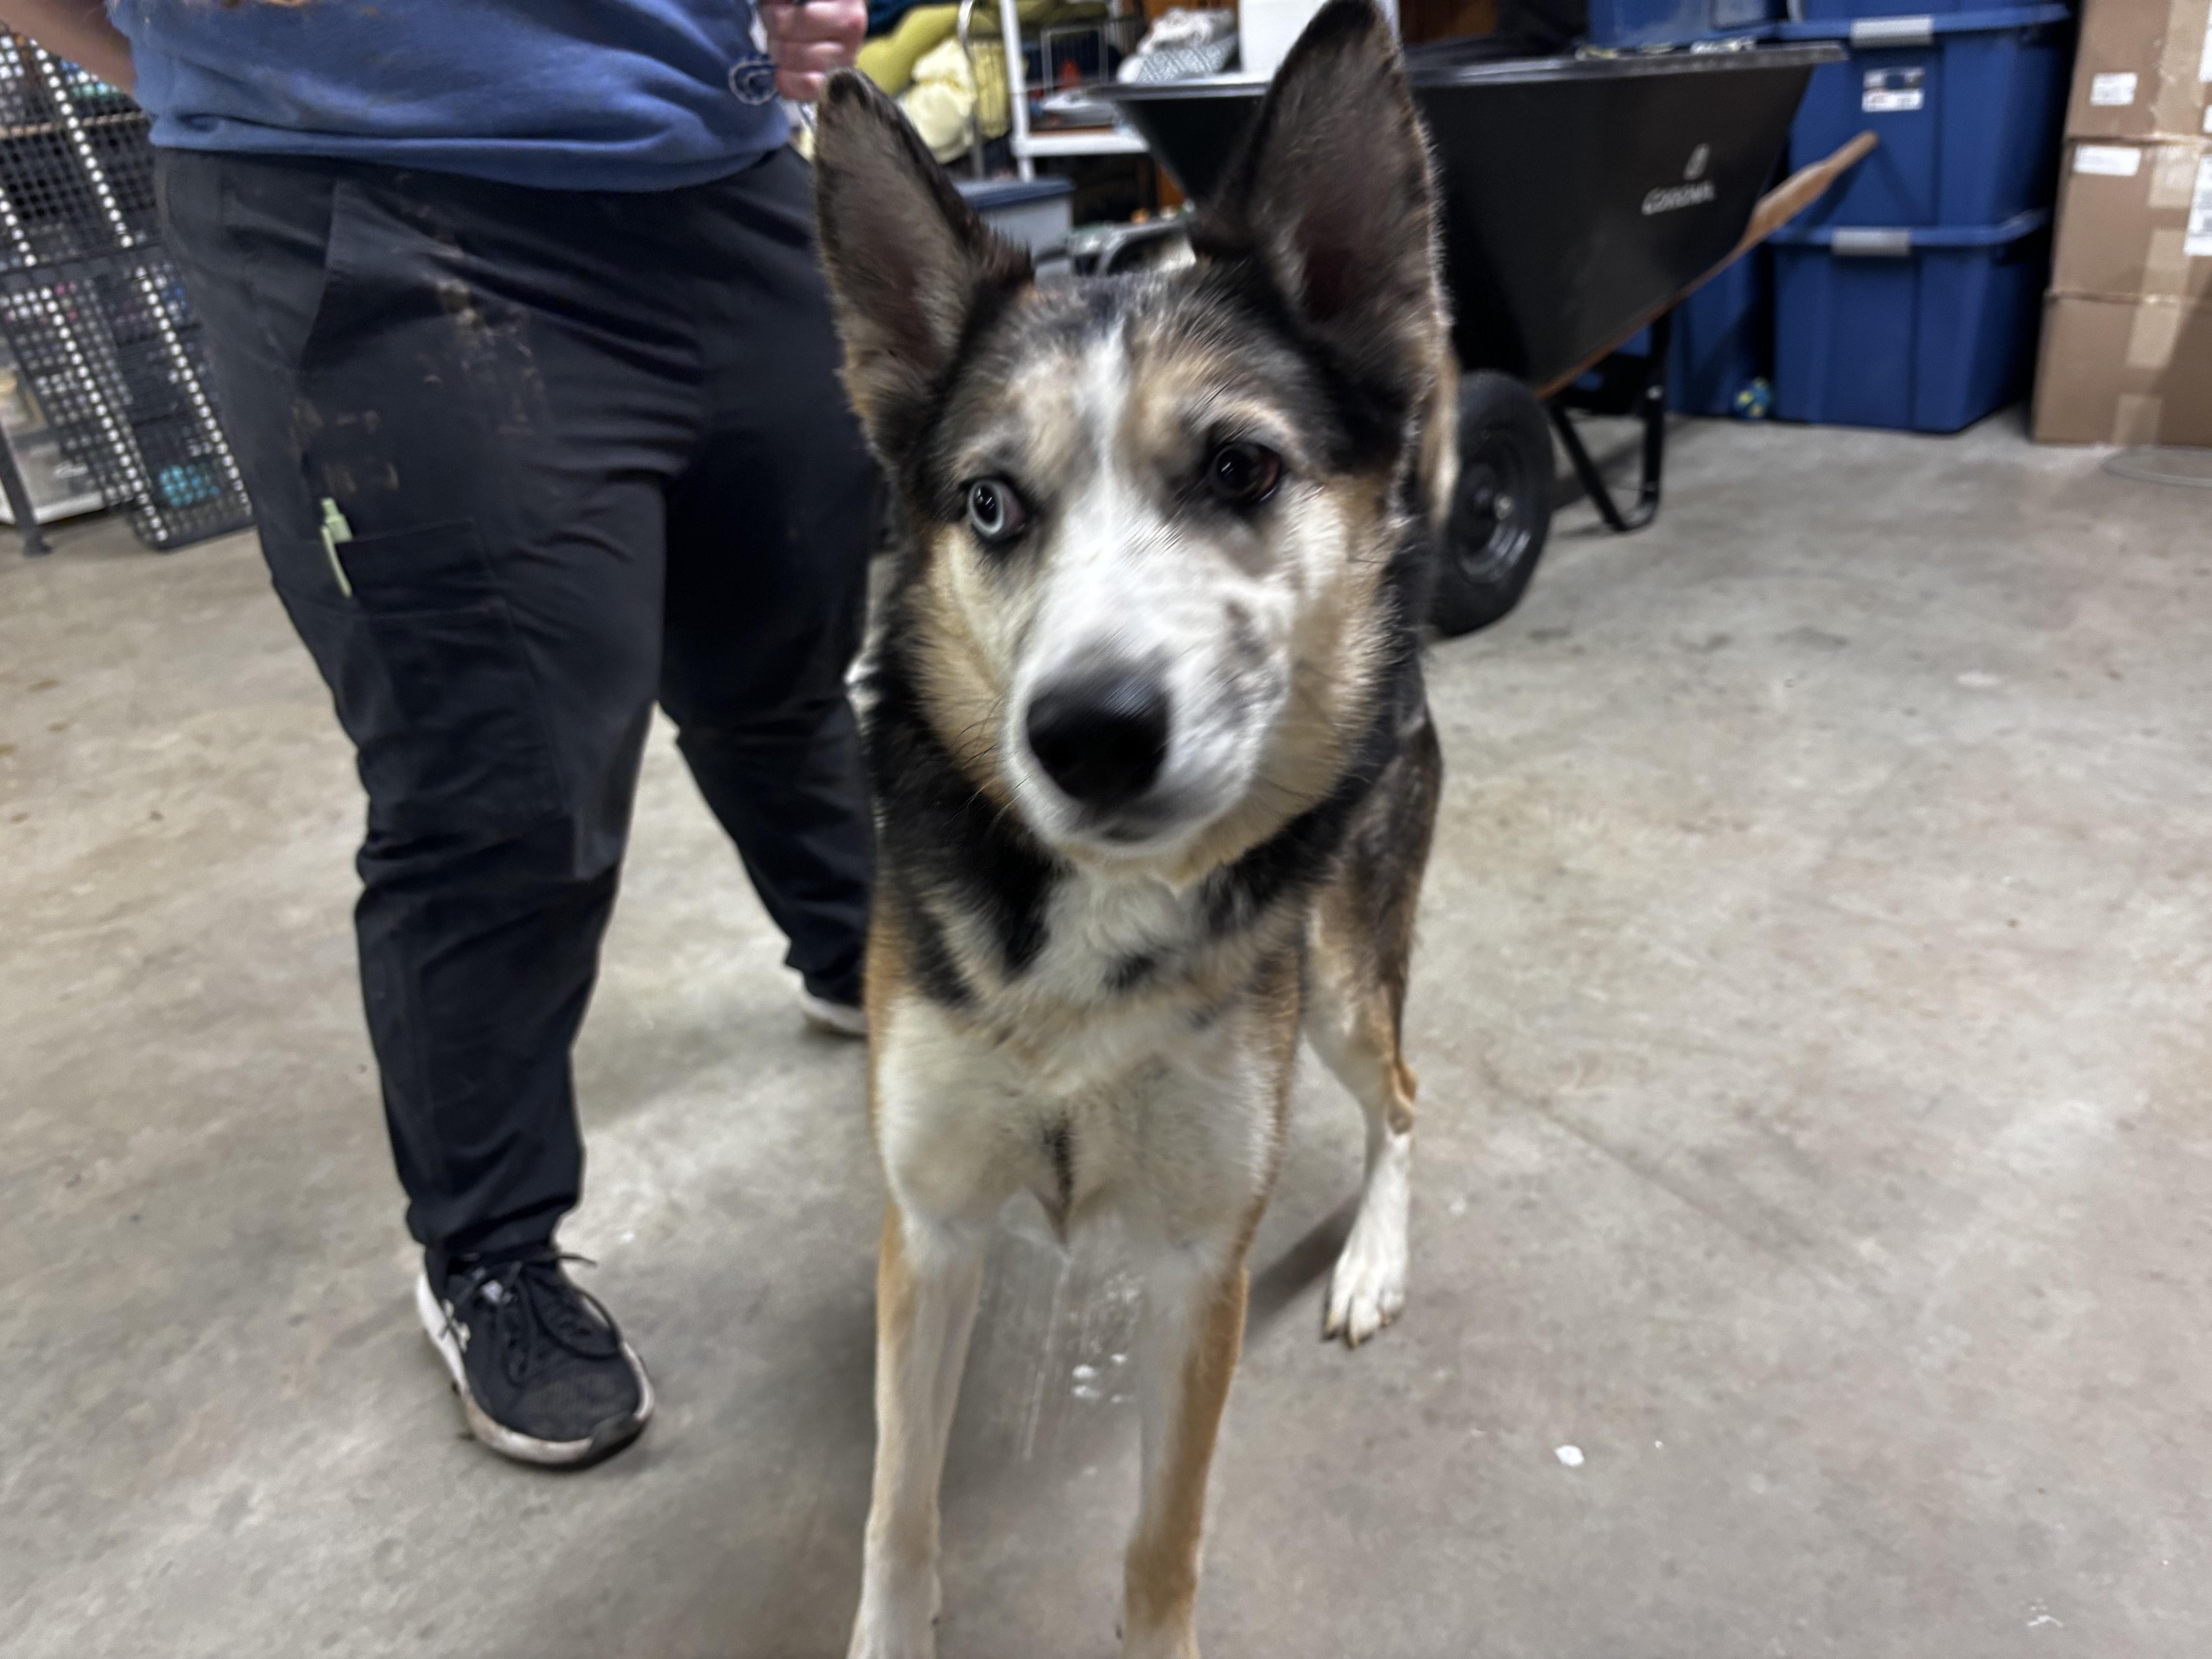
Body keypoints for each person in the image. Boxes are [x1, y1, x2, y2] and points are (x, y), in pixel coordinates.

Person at [3, 0, 877, 1467]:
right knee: (505, 792)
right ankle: (489, 1250)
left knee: (784, 655)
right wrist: (191, 68)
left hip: (719, 172)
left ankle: (865, 955)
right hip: (374, 199)